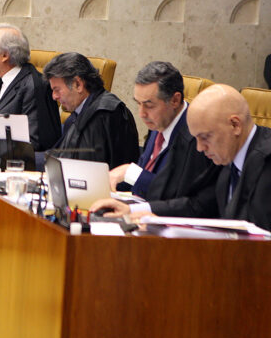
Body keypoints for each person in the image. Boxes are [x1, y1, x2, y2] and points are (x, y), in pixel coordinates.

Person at [90, 84, 271, 230]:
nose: (199, 148)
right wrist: (137, 212)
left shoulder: (265, 161)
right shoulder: (228, 155)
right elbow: (199, 206)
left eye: (205, 137)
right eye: (196, 138)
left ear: (235, 125)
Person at [96, 61, 219, 206]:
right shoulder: (159, 122)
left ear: (175, 100)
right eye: (138, 103)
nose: (141, 114)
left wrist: (132, 173)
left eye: (149, 105)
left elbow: (180, 197)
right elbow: (143, 180)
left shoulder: (196, 137)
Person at [43, 52, 139, 169]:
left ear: (78, 84)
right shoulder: (79, 113)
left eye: (57, 90)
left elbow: (86, 168)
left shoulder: (104, 115)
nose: (54, 96)